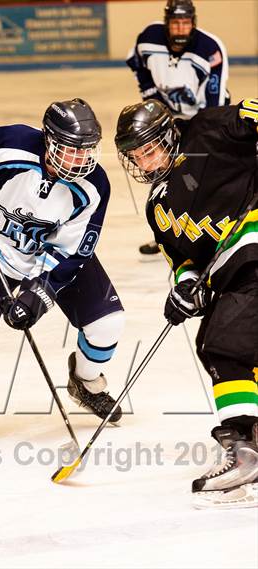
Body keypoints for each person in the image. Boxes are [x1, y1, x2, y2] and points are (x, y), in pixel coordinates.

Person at [0, 98, 125, 424]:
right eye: (73, 149)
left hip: (49, 260)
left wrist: (39, 295)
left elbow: (75, 251)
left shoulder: (95, 185)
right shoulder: (13, 144)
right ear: (49, 141)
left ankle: (86, 382)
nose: (83, 159)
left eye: (88, 149)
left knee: (107, 324)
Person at [115, 97, 258, 508]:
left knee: (225, 342)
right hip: (234, 273)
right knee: (216, 344)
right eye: (135, 156)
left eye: (149, 149)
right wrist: (185, 287)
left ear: (168, 134)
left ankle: (245, 449)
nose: (144, 163)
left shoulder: (209, 128)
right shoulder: (158, 206)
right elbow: (185, 262)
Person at [126, 0, 230, 256]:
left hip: (204, 120)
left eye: (185, 23)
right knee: (163, 177)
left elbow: (214, 104)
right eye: (175, 23)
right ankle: (167, 232)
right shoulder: (149, 37)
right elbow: (135, 61)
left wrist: (197, 132)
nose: (180, 29)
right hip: (167, 119)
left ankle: (212, 232)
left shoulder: (210, 49)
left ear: (193, 23)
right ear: (167, 23)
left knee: (202, 177)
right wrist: (152, 98)